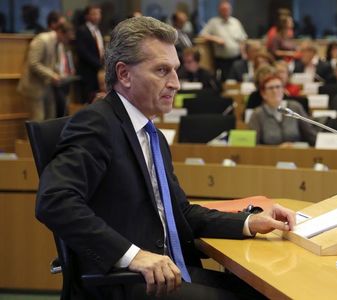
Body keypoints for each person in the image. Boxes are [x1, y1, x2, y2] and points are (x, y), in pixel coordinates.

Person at [35, 16, 295, 299]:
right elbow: (54, 200)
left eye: (175, 71)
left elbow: (180, 213)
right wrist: (133, 256)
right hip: (126, 282)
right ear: (124, 74)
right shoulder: (96, 124)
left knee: (263, 291)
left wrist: (249, 222)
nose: (176, 84)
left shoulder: (152, 134)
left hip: (171, 270)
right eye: (162, 71)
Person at [18, 21, 75, 120]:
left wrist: (61, 74)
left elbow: (53, 64)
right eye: (67, 37)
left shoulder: (59, 44)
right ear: (60, 32)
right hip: (34, 87)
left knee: (50, 119)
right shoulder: (42, 39)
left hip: (47, 87)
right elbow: (33, 63)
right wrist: (52, 75)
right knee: (37, 121)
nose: (68, 41)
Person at [248, 74, 317, 146]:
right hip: (269, 156)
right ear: (263, 93)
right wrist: (278, 149)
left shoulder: (295, 107)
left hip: (296, 154)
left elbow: (311, 136)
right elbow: (254, 146)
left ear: (283, 90)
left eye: (278, 87)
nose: (275, 91)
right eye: (270, 88)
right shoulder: (257, 114)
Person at [199, 0, 247, 81]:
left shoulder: (235, 22)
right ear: (219, 10)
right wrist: (215, 39)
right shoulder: (213, 22)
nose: (226, 11)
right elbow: (202, 35)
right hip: (222, 60)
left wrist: (244, 54)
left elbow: (242, 39)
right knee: (224, 82)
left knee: (238, 81)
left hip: (237, 59)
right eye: (223, 9)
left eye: (227, 9)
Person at [75, 5, 104, 103]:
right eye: (94, 14)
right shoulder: (81, 30)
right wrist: (98, 64)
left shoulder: (98, 30)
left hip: (98, 71)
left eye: (98, 13)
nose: (97, 16)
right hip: (87, 71)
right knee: (88, 100)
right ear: (87, 16)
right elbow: (83, 52)